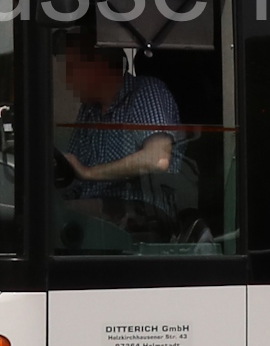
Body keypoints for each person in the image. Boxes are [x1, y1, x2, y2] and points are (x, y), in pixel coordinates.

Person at [59, 43, 182, 228]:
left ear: (100, 65)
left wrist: (88, 173)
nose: (67, 78)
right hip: (97, 212)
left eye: (73, 68)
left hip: (144, 213)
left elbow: (157, 159)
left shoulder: (146, 92)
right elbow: (73, 177)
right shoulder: (89, 111)